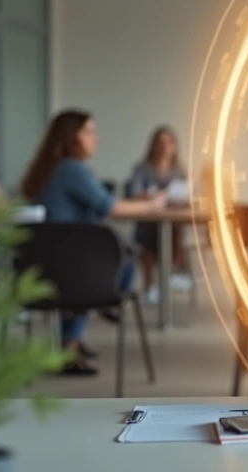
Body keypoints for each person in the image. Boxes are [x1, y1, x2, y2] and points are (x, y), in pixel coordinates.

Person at [20, 110, 166, 376]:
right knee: (119, 262)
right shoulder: (72, 169)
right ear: (71, 137)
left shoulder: (50, 168)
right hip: (68, 270)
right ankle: (81, 332)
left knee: (93, 261)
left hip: (41, 264)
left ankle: (72, 341)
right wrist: (152, 205)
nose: (95, 138)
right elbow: (110, 208)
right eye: (88, 132)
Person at [126, 126, 190, 305]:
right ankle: (151, 286)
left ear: (175, 146)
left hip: (173, 221)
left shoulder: (178, 170)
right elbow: (135, 193)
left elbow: (185, 195)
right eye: (160, 143)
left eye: (169, 142)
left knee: (175, 230)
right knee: (148, 235)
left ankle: (177, 271)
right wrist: (159, 196)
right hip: (148, 222)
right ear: (153, 146)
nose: (164, 147)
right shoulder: (142, 168)